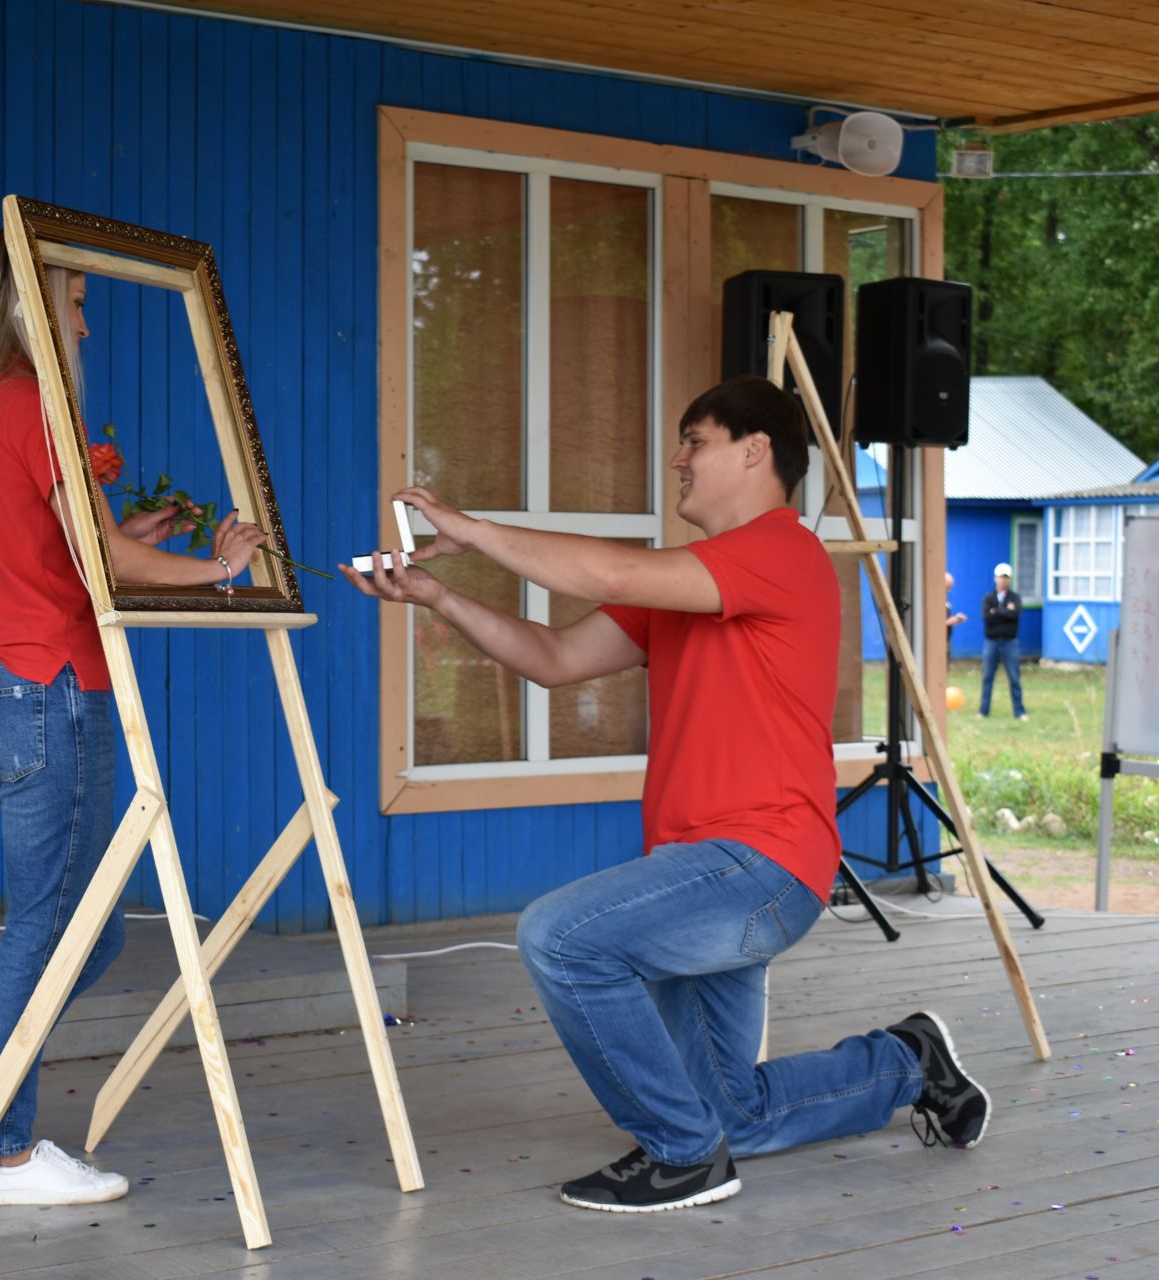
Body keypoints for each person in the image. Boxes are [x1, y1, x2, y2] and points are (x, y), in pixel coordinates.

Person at [343, 375, 989, 1214]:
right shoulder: (691, 586)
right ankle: (910, 1062)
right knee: (736, 1112)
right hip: (701, 869)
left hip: (758, 865)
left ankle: (683, 1158)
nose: (677, 459)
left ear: (756, 451)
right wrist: (439, 595)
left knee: (562, 937)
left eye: (697, 440)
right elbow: (555, 659)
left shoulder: (780, 552)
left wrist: (469, 530)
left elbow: (607, 567)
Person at [0, 232, 268, 1207]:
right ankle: (7, 1154)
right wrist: (223, 565)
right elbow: (105, 568)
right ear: (28, 308)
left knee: (87, 930)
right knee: (48, 928)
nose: (84, 319)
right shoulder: (36, 403)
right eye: (72, 301)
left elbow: (57, 551)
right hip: (54, 690)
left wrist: (124, 538)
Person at [979, 562, 1027, 720]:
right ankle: (983, 711)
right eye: (1000, 577)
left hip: (1009, 642)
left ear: (1010, 579)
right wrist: (1005, 611)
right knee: (987, 677)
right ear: (995, 578)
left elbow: (1014, 616)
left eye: (1006, 577)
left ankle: (1019, 711)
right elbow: (987, 617)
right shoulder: (988, 598)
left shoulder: (1015, 598)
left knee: (1014, 677)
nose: (1003, 580)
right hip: (991, 642)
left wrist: (997, 612)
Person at [944, 570, 967, 652]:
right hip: (939, 638)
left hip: (946, 637)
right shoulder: (937, 599)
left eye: (950, 587)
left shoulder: (946, 598)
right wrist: (953, 620)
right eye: (947, 587)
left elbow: (946, 619)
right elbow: (937, 623)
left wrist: (955, 620)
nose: (949, 590)